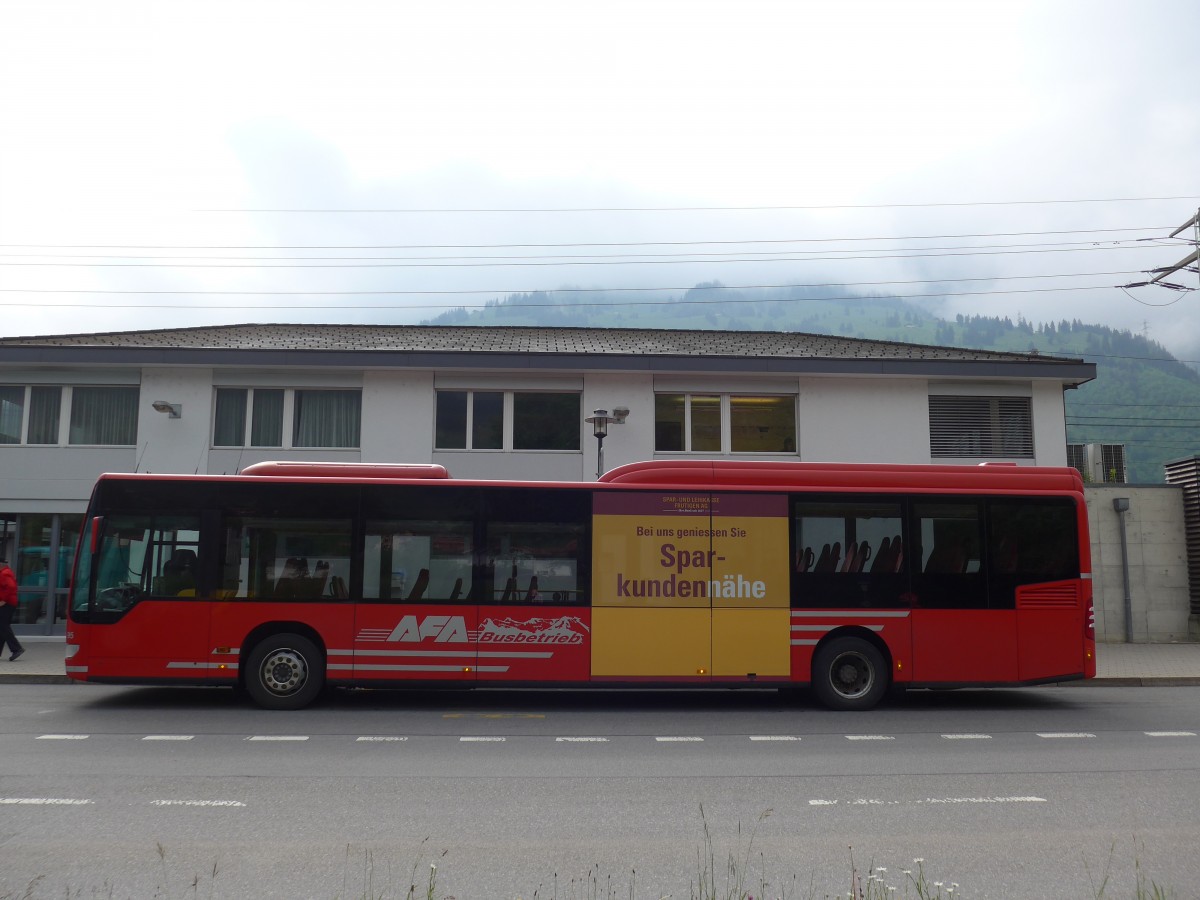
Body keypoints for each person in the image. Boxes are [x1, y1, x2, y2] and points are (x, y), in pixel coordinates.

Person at [0, 557, 24, 661]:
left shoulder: (4, 573)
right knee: (2, 627)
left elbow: (11, 587)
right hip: (9, 603)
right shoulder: (6, 572)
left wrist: (4, 600)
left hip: (7, 604)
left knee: (3, 626)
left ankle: (16, 649)